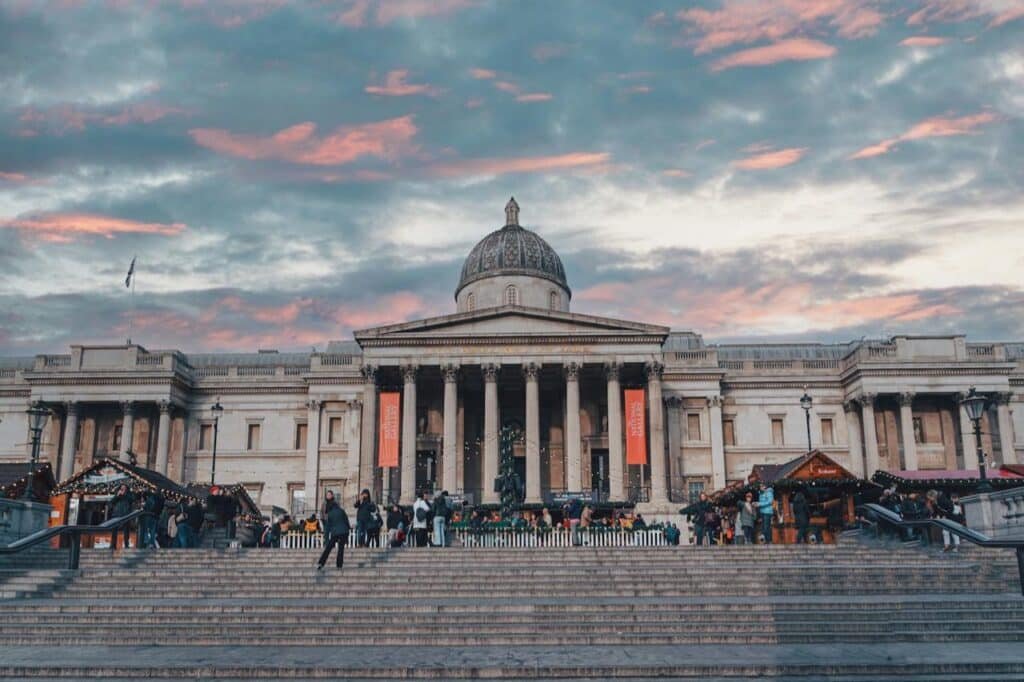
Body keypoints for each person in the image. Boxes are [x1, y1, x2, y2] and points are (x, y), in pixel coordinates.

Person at [317, 495, 351, 570]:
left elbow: (329, 525)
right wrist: (348, 530)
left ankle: (321, 563)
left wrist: (326, 534)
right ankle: (339, 565)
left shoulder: (330, 514)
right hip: (344, 532)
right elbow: (346, 521)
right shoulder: (342, 511)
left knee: (328, 548)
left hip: (335, 533)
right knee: (341, 549)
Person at [109, 484, 136, 549]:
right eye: (121, 488)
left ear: (126, 488)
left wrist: (125, 494)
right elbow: (111, 502)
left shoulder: (129, 494)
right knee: (114, 530)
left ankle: (126, 544)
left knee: (126, 531)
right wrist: (117, 496)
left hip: (125, 514)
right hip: (116, 514)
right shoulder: (117, 494)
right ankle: (113, 545)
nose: (123, 489)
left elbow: (132, 500)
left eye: (124, 488)